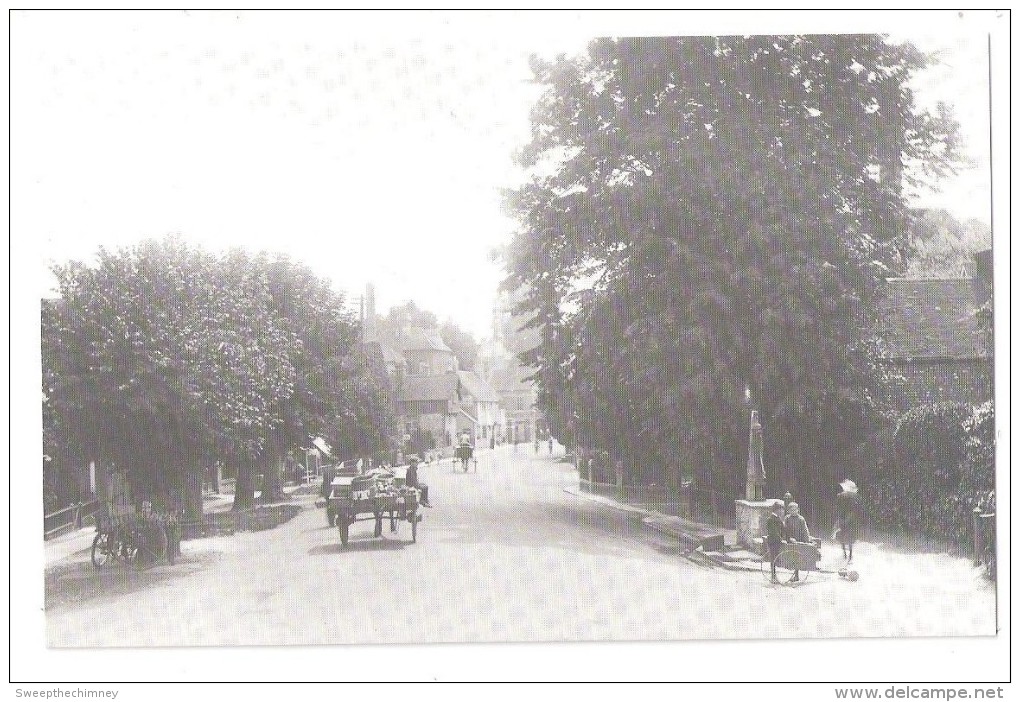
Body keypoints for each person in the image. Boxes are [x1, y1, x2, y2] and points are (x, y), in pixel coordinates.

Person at [834, 479, 862, 563]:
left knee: (846, 536)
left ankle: (847, 555)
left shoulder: (847, 496)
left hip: (848, 519)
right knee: (847, 537)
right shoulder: (851, 497)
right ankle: (847, 555)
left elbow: (855, 509)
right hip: (848, 519)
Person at [783, 502, 812, 582]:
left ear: (798, 510)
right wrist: (787, 538)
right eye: (791, 510)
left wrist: (807, 541)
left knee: (797, 557)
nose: (793, 511)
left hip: (799, 540)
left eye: (795, 510)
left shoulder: (801, 519)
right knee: (791, 557)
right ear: (788, 511)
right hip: (790, 540)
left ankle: (796, 575)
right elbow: (784, 529)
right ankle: (794, 574)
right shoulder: (787, 518)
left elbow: (805, 530)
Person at [765, 501, 785, 584]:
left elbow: (783, 529)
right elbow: (774, 531)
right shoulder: (770, 519)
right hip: (773, 541)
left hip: (778, 541)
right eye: (781, 509)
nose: (782, 511)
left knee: (776, 558)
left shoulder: (778, 518)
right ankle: (773, 576)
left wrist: (787, 537)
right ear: (776, 510)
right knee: (773, 559)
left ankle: (774, 576)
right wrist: (780, 539)